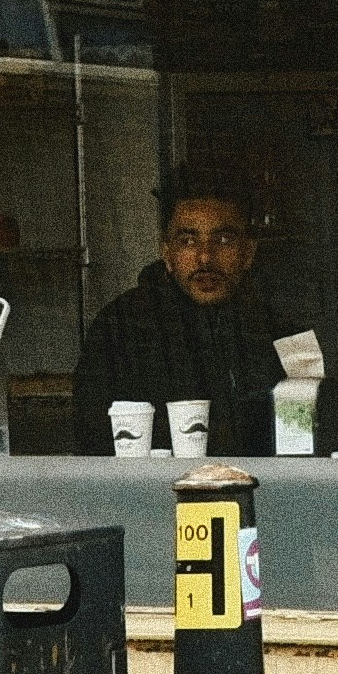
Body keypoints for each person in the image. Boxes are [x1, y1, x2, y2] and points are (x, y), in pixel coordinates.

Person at [76, 164, 309, 457]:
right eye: (188, 240)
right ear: (167, 253)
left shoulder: (285, 335)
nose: (205, 257)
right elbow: (92, 448)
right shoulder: (119, 329)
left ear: (248, 252)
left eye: (224, 240)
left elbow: (303, 444)